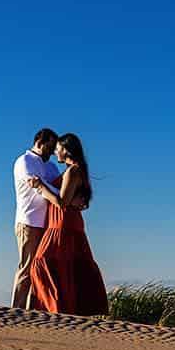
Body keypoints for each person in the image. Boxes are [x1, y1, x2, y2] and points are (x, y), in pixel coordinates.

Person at [26, 132, 108, 316]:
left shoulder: (73, 170)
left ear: (66, 150)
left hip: (62, 224)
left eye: (58, 149)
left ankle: (54, 311)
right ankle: (63, 311)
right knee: (66, 268)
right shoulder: (76, 170)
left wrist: (40, 186)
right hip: (67, 224)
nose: (55, 152)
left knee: (42, 264)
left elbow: (61, 202)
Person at [12, 128, 62, 309]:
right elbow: (38, 187)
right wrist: (61, 197)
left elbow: (56, 186)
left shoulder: (51, 166)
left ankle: (32, 311)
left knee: (39, 270)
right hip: (29, 222)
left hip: (47, 225)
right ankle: (15, 311)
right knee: (26, 268)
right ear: (40, 142)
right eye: (50, 147)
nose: (52, 152)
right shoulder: (24, 161)